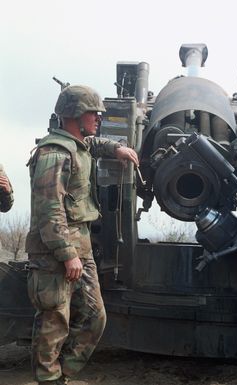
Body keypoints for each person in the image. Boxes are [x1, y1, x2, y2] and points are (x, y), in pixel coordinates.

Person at [26, 84, 139, 385]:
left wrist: (116, 148)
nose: (99, 118)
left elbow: (92, 145)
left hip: (80, 247)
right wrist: (68, 255)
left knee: (94, 316)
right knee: (54, 321)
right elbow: (49, 211)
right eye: (94, 113)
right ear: (76, 116)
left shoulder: (78, 145)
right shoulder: (54, 153)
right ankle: (49, 379)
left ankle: (62, 375)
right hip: (56, 253)